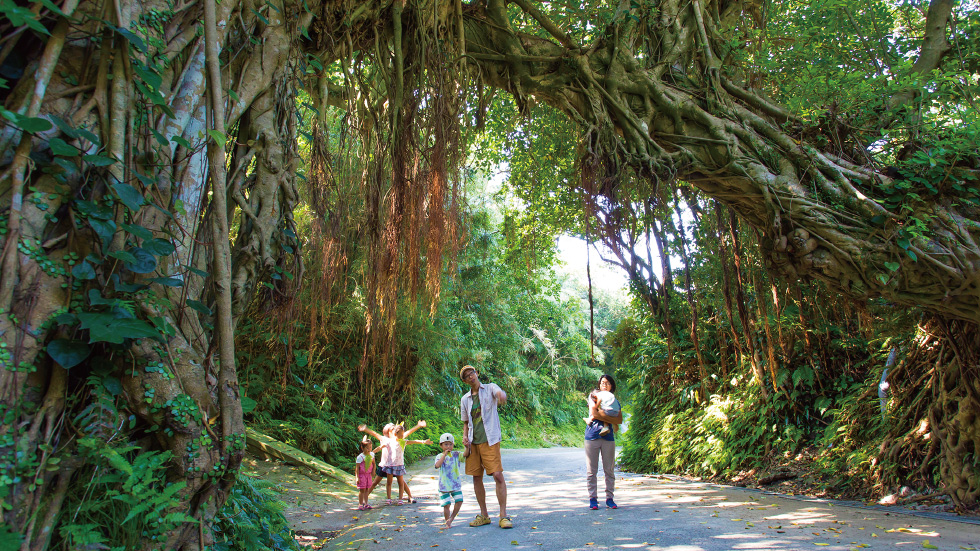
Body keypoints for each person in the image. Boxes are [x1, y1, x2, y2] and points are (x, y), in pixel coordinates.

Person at [459, 364, 512, 529]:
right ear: (465, 381)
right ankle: (484, 515)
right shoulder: (465, 399)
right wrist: (464, 437)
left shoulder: (490, 388)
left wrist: (501, 395)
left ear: (476, 373)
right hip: (473, 442)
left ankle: (503, 516)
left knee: (497, 475)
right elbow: (466, 422)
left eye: (472, 373)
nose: (471, 377)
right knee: (476, 477)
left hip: (490, 440)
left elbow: (499, 393)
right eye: (467, 376)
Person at [359, 420, 429, 504]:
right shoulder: (385, 439)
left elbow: (408, 432)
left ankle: (410, 496)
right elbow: (374, 434)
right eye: (392, 428)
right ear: (388, 432)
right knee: (375, 482)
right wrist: (365, 429)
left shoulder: (399, 439)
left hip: (395, 464)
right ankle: (364, 499)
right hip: (384, 465)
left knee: (401, 481)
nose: (394, 429)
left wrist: (418, 426)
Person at [585, 374, 623, 510]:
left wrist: (603, 415)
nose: (604, 385)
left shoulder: (614, 400)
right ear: (599, 385)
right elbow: (594, 414)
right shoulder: (594, 396)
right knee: (591, 471)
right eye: (602, 383)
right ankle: (593, 499)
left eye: (607, 383)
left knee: (609, 470)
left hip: (608, 438)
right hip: (592, 435)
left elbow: (619, 419)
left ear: (611, 386)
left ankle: (610, 498)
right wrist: (607, 417)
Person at [434, 432, 464, 528]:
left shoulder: (456, 455)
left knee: (459, 500)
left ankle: (451, 518)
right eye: (446, 444)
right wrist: (444, 455)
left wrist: (467, 446)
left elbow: (466, 456)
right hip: (444, 485)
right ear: (441, 445)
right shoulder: (439, 456)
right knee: (446, 505)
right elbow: (437, 465)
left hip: (455, 484)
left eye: (450, 444)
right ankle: (447, 522)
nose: (448, 447)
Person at [355, 436, 378, 510]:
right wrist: (357, 477)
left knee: (367, 489)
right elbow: (357, 468)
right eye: (367, 448)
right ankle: (360, 504)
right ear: (362, 448)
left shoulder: (371, 455)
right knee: (362, 490)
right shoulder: (360, 457)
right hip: (362, 475)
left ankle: (366, 503)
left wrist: (373, 471)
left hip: (368, 475)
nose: (369, 449)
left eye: (370, 447)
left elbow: (374, 464)